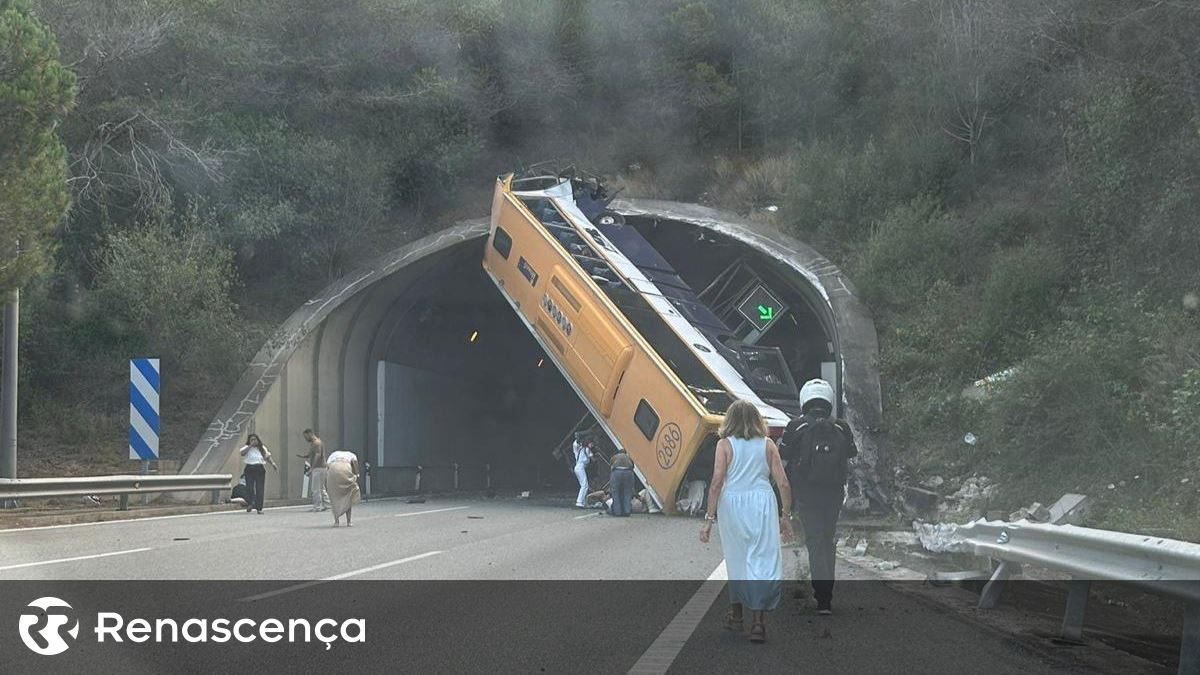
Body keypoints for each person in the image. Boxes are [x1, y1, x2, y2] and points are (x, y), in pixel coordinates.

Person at [699, 400, 793, 643]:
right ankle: (758, 623)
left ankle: (737, 615)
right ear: (756, 420)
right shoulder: (768, 444)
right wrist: (786, 516)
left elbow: (717, 481)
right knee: (761, 559)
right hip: (762, 502)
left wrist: (709, 519)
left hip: (732, 504)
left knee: (737, 558)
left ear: (729, 420)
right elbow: (782, 482)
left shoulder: (724, 445)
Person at [779, 378, 857, 616]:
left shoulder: (796, 426)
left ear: (805, 399)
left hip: (806, 493)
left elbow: (783, 457)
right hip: (833, 493)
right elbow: (852, 453)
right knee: (828, 538)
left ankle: (821, 598)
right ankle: (828, 595)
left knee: (814, 540)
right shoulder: (841, 426)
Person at [239, 433, 278, 514]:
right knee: (249, 487)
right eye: (252, 440)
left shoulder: (261, 448)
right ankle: (250, 503)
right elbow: (242, 453)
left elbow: (267, 457)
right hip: (249, 468)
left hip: (259, 468)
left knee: (260, 488)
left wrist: (273, 464)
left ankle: (259, 507)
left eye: (255, 439)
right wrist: (250, 446)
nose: (254, 441)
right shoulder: (247, 447)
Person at [325, 449, 361, 527]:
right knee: (349, 494)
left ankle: (336, 522)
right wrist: (356, 475)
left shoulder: (333, 454)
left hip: (333, 468)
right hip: (345, 466)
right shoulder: (352, 454)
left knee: (334, 497)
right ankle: (349, 522)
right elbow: (355, 464)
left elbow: (327, 465)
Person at [298, 429, 329, 512]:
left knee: (315, 488)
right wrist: (304, 456)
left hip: (318, 468)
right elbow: (312, 454)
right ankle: (327, 504)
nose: (305, 439)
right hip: (321, 468)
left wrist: (312, 468)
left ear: (310, 434)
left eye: (306, 437)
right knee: (321, 488)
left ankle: (317, 506)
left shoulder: (317, 443)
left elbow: (318, 455)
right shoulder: (314, 443)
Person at [609, 447, 635, 516]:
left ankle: (617, 512)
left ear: (618, 452)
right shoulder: (628, 457)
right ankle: (627, 511)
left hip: (617, 472)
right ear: (625, 452)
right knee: (627, 492)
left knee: (615, 492)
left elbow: (611, 465)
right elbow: (633, 466)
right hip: (628, 472)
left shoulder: (615, 457)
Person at [572, 432, 593, 508]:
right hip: (580, 467)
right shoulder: (580, 448)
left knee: (584, 485)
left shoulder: (582, 448)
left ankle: (583, 502)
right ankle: (579, 502)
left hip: (579, 467)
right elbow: (592, 457)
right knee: (584, 485)